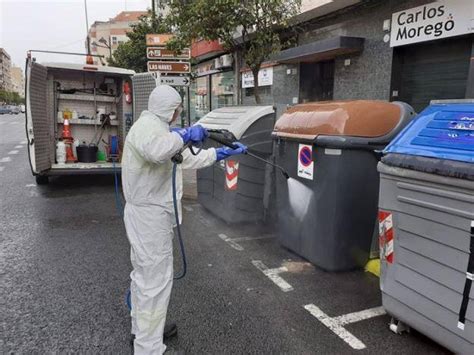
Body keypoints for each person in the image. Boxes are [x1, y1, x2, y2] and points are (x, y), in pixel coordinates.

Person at [121, 85, 247, 354]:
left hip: (152, 216)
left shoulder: (160, 130)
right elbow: (157, 151)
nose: (179, 112)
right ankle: (148, 347)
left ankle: (145, 330)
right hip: (148, 217)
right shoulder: (148, 129)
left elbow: (184, 159)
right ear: (169, 108)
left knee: (146, 277)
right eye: (177, 108)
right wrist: (187, 134)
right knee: (154, 282)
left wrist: (220, 153)